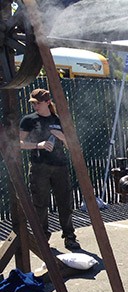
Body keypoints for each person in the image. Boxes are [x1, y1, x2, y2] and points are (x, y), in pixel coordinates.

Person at [19, 88, 80, 250]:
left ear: (47, 102)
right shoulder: (29, 120)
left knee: (65, 202)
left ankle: (69, 236)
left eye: (38, 103)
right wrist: (37, 145)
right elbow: (19, 144)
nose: (35, 106)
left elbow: (71, 145)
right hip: (39, 167)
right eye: (33, 103)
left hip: (60, 166)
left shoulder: (58, 120)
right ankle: (42, 238)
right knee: (40, 204)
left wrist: (61, 137)